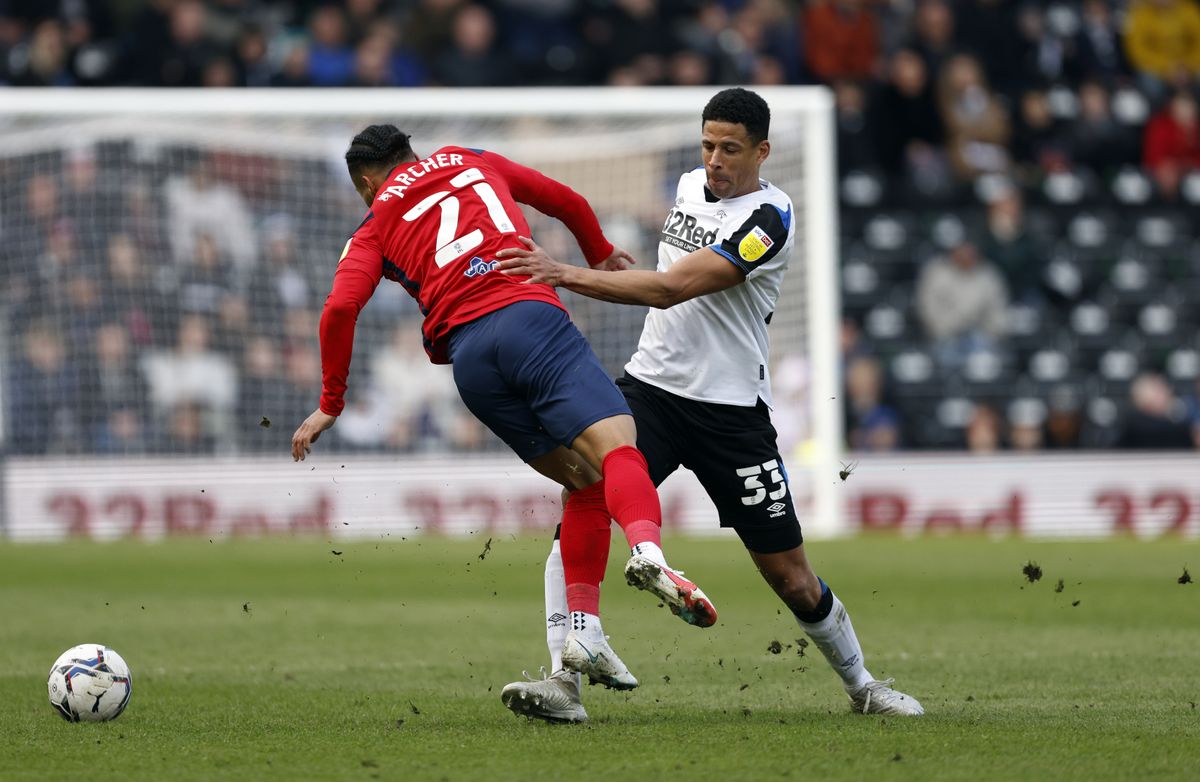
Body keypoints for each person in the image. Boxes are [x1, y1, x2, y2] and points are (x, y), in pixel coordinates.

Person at [496, 88, 923, 723]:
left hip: (730, 413)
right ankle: (566, 679)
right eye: (707, 144)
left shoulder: (770, 220)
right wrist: (605, 260)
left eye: (729, 148)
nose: (715, 159)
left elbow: (671, 290)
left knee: (791, 577)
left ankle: (863, 685)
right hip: (651, 392)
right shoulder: (689, 184)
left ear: (762, 152)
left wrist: (566, 272)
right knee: (583, 493)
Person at [290, 124, 717, 689]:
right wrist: (600, 253)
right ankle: (648, 551)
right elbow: (566, 200)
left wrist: (330, 402)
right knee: (618, 449)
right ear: (409, 155)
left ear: (368, 185)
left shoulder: (371, 227)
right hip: (527, 317)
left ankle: (584, 634)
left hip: (471, 364)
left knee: (583, 486)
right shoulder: (468, 157)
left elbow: (339, 309)